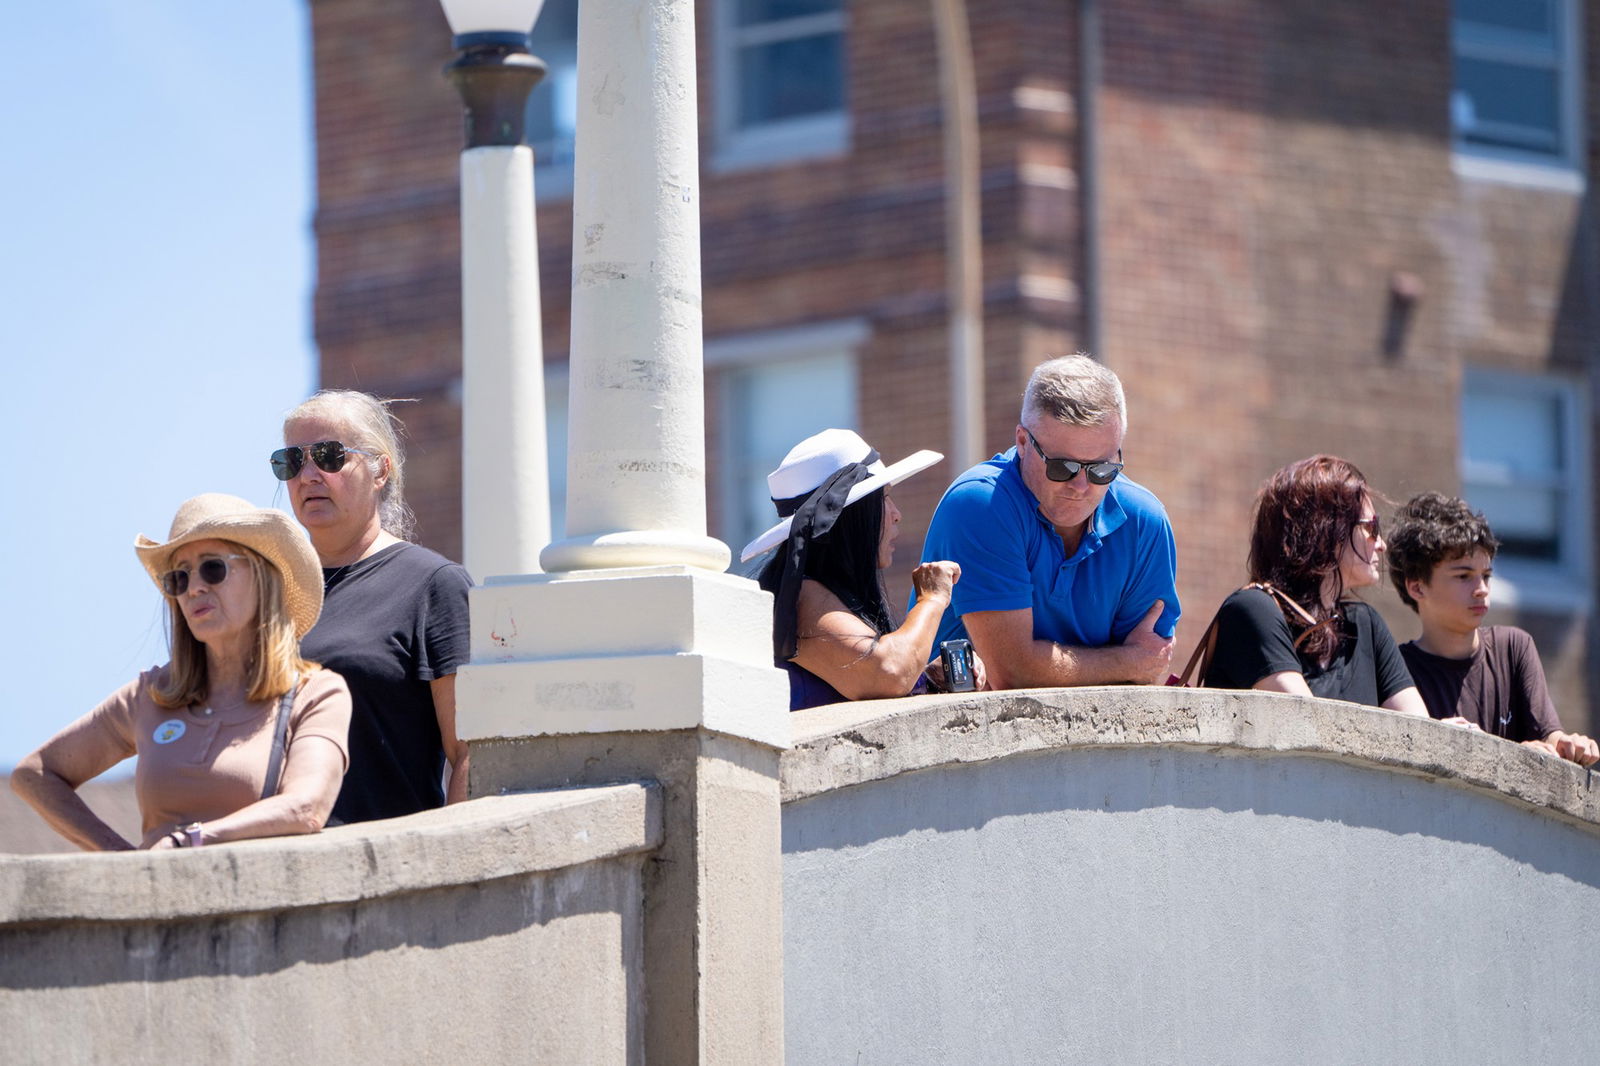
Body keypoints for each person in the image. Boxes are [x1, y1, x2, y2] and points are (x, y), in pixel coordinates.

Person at [11, 494, 351, 850]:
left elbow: (305, 807)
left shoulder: (316, 693)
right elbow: (35, 774)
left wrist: (188, 842)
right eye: (179, 578)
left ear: (262, 576)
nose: (194, 588)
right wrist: (121, 858)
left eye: (213, 568)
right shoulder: (150, 695)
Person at [919, 354, 1179, 689]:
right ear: (1022, 442)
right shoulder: (981, 503)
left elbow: (1145, 670)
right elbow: (1012, 674)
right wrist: (1124, 660)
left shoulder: (1144, 522)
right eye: (1063, 467)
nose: (1081, 486)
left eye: (1102, 470)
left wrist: (1131, 664)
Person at [276, 390, 473, 822]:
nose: (308, 475)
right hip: (272, 854)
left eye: (328, 456)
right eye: (291, 461)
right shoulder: (267, 597)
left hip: (385, 855)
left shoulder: (432, 585)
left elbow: (470, 753)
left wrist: (450, 857)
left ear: (380, 469)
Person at [741, 428, 964, 710]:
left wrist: (926, 678)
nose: (896, 514)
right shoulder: (802, 597)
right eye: (883, 498)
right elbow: (889, 673)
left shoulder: (815, 591)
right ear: (849, 517)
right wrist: (931, 599)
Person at [1202, 456, 1428, 714]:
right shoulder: (1253, 610)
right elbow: (1308, 723)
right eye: (1371, 527)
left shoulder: (1364, 624)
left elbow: (1417, 729)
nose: (1381, 544)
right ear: (1327, 530)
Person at [1387, 492, 1598, 765]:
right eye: (1463, 576)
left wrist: (1571, 745)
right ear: (1417, 587)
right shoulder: (1396, 672)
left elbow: (1549, 738)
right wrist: (1515, 754)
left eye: (1486, 576)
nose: (1482, 590)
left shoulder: (1513, 647)